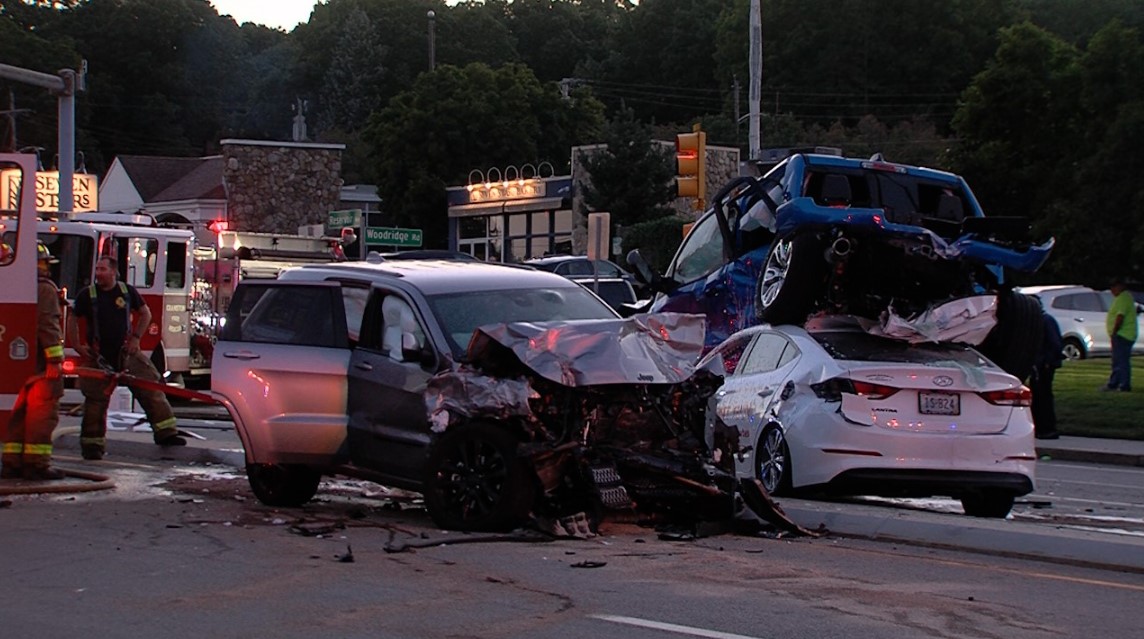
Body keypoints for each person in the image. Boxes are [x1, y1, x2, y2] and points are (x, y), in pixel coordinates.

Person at [69, 255, 185, 460]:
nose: (98, 273)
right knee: (95, 402)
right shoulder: (87, 294)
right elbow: (72, 318)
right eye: (97, 269)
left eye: (102, 269)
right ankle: (92, 446)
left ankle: (166, 433)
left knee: (151, 388)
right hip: (98, 356)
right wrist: (77, 345)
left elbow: (146, 314)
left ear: (114, 272)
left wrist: (136, 339)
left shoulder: (127, 292)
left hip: (126, 352)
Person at [1, 242, 68, 480]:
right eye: (42, 263)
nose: (45, 268)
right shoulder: (44, 289)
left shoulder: (10, 286)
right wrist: (54, 360)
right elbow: (48, 325)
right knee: (43, 413)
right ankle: (36, 464)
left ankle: (11, 462)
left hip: (15, 364)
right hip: (40, 365)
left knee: (16, 414)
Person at [1029, 308, 1064, 440]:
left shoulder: (1044, 321)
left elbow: (1055, 344)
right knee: (1040, 396)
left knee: (1042, 396)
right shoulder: (1043, 320)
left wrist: (1046, 361)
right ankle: (1043, 427)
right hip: (1040, 365)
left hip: (1043, 365)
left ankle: (1047, 428)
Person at [1103, 278, 1138, 392]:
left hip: (1122, 334)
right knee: (1118, 360)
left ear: (1120, 286)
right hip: (1124, 334)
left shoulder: (1123, 298)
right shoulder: (1123, 298)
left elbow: (1120, 316)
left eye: (1114, 287)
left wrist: (1115, 331)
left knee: (1120, 361)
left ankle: (1122, 384)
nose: (1112, 290)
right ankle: (1116, 382)